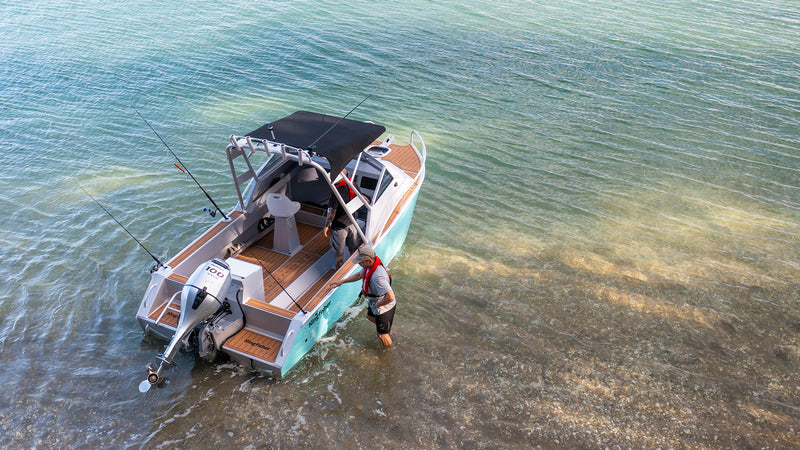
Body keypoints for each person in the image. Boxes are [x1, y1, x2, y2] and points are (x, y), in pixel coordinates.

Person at [329, 245, 395, 347]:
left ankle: (388, 350)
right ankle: (387, 327)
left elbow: (390, 297)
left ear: (369, 261)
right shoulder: (368, 266)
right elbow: (360, 275)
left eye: (361, 261)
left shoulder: (378, 277)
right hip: (375, 302)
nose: (359, 263)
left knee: (382, 335)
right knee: (370, 317)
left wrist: (378, 305)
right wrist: (342, 281)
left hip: (383, 307)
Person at [324, 169, 362, 268]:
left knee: (339, 253)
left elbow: (332, 212)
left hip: (339, 227)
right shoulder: (353, 185)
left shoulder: (336, 191)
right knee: (353, 250)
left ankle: (339, 271)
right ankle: (355, 268)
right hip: (352, 223)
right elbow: (361, 199)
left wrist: (327, 226)